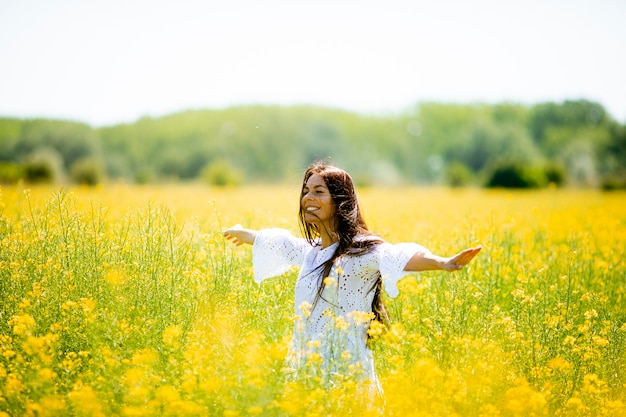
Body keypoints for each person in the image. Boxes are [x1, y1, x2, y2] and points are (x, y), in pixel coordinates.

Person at [223, 163, 481, 394]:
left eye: (319, 191)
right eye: (306, 190)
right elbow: (282, 243)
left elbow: (396, 255)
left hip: (346, 377)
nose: (308, 198)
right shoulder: (312, 252)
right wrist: (247, 234)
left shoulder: (360, 251)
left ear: (340, 201)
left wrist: (442, 262)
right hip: (307, 373)